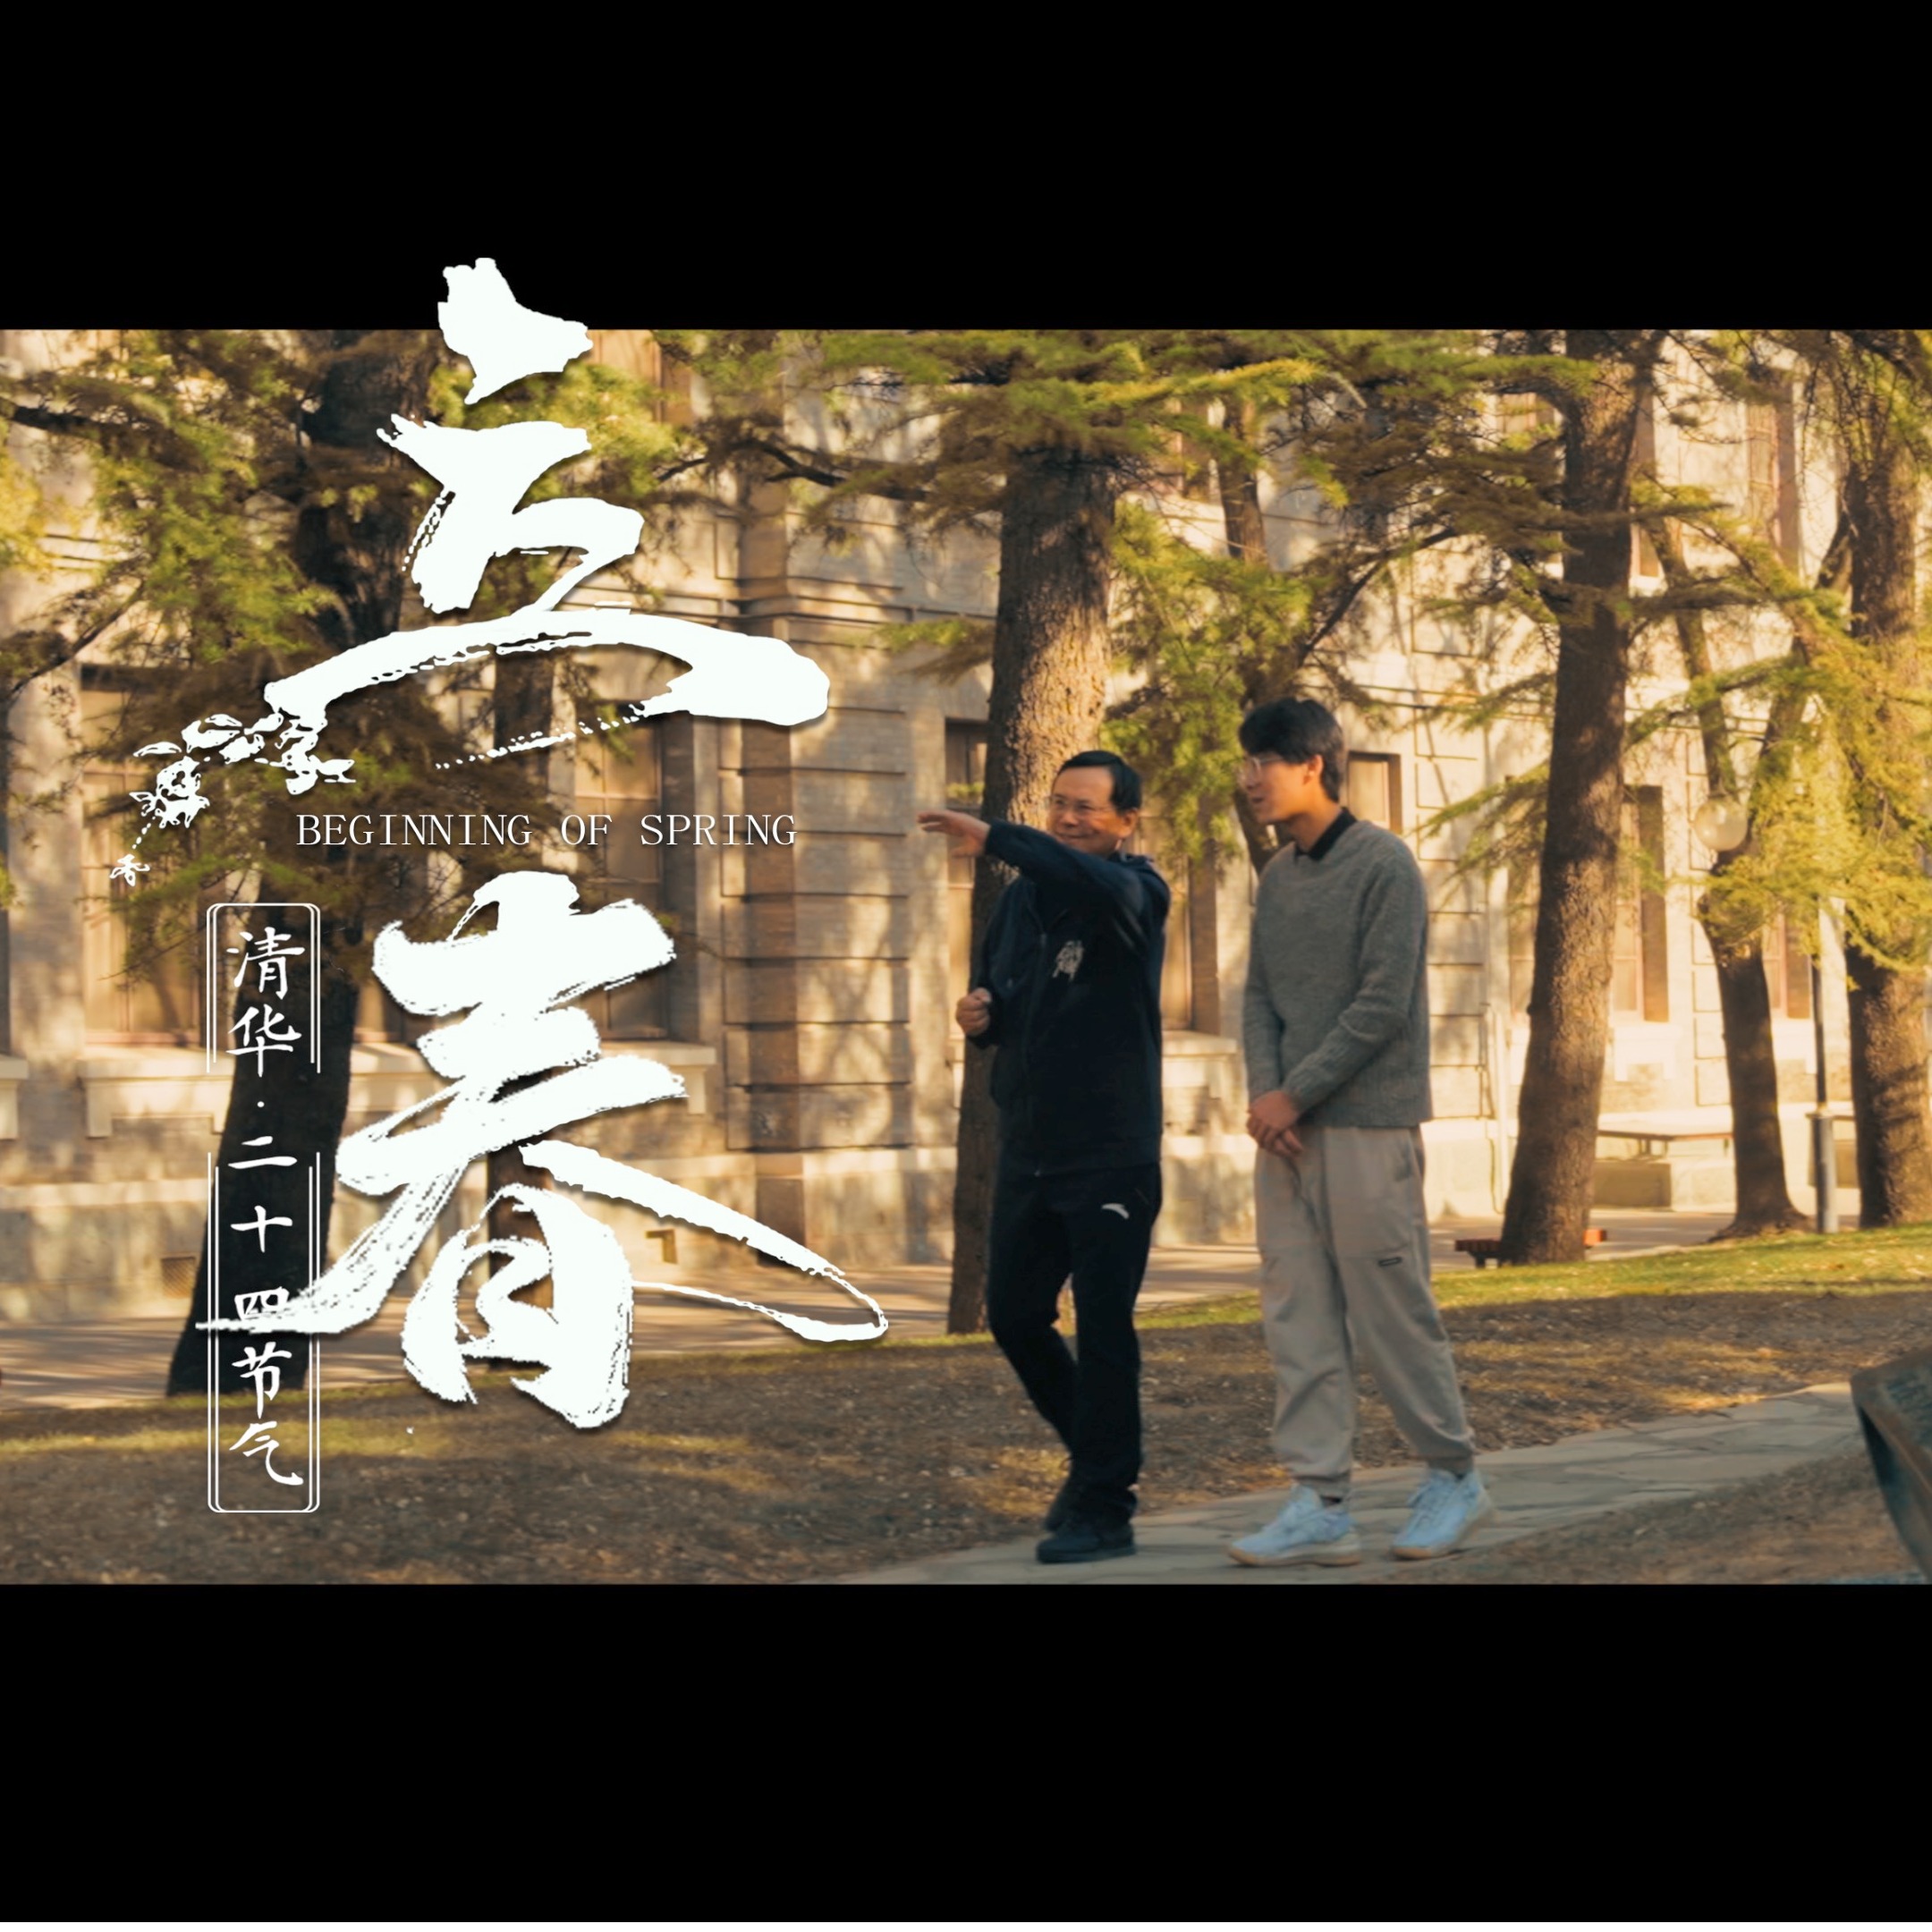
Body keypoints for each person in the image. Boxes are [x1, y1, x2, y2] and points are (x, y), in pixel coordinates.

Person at [1231, 696, 1491, 1566]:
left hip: (1367, 1128)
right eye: (1245, 764)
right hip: (1287, 1136)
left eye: (1262, 762)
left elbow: (1383, 1004)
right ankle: (1321, 1501)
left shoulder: (1385, 865)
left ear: (1313, 764)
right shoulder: (1278, 877)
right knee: (1297, 1315)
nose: (1250, 780)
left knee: (1391, 1313)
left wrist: (1294, 1094)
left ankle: (1453, 1476)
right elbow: (1259, 996)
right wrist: (1267, 1098)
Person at [918, 750, 1168, 1563]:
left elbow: (1079, 877)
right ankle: (1096, 1461)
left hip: (1109, 1154)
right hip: (1030, 1147)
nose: (1067, 817)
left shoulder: (1134, 893)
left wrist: (994, 835)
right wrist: (983, 1014)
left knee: (1104, 1327)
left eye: (1087, 807)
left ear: (1126, 822)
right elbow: (1002, 994)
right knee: (1017, 1316)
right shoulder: (1021, 902)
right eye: (1059, 803)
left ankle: (1106, 1508)